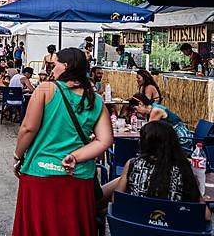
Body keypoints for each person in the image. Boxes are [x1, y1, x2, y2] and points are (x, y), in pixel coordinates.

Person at [12, 48, 112, 236]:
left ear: (65, 66)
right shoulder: (95, 99)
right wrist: (75, 156)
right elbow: (105, 140)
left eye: (55, 64)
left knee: (38, 228)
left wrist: (17, 155)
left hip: (40, 171)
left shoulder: (45, 89)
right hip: (79, 177)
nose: (52, 68)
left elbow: (28, 128)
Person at [114, 121, 209, 220]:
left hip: (136, 226)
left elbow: (116, 199)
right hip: (173, 228)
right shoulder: (184, 169)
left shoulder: (133, 165)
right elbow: (206, 215)